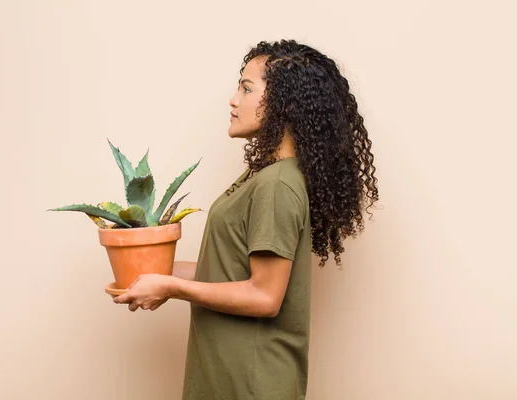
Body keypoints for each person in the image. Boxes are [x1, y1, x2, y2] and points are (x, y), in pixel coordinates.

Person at [114, 39, 379, 400]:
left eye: (246, 88)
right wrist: (153, 273)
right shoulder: (263, 176)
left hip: (252, 384)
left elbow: (264, 296)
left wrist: (171, 289)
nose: (233, 100)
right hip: (228, 376)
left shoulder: (278, 184)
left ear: (285, 104)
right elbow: (225, 271)